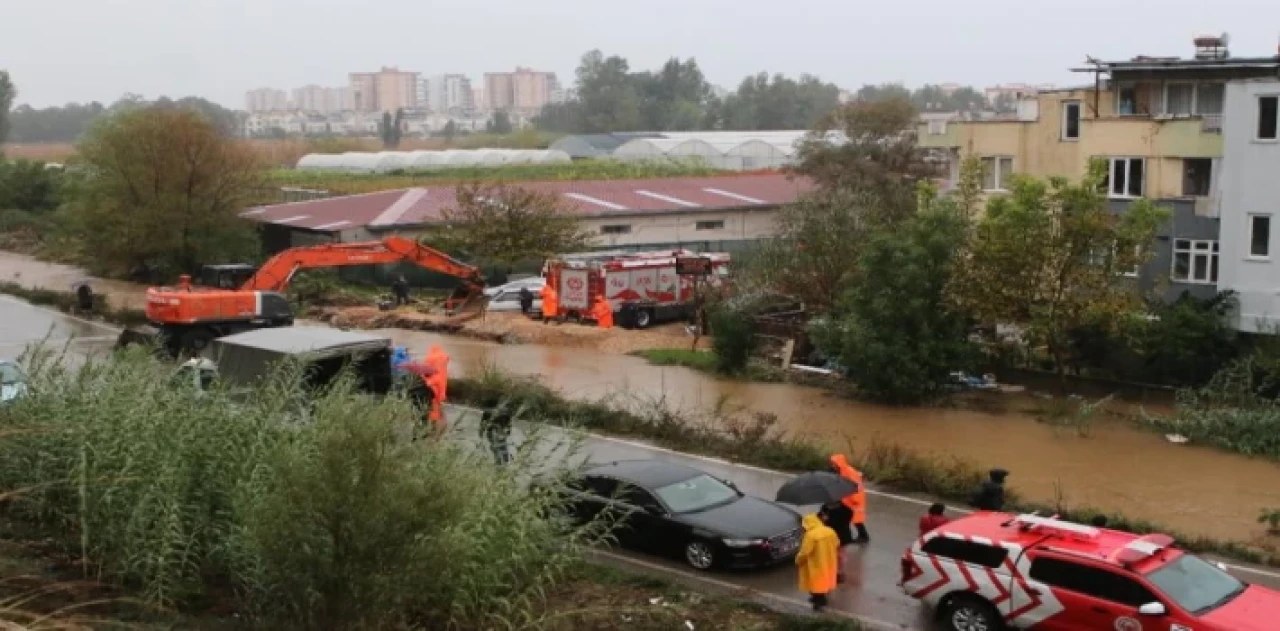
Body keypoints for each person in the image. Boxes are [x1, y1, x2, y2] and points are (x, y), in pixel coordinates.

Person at [796, 513, 839, 612]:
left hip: (816, 563)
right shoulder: (830, 531)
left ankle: (819, 602)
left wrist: (798, 560)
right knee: (824, 581)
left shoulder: (810, 535)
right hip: (829, 561)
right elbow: (837, 543)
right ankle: (819, 599)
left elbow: (805, 552)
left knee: (816, 583)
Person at [829, 454, 869, 543]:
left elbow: (857, 485)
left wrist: (855, 499)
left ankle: (863, 536)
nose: (833, 465)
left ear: (839, 463)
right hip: (849, 498)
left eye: (834, 463)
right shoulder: (842, 471)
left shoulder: (850, 472)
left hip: (855, 499)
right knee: (853, 517)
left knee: (856, 518)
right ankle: (862, 535)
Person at [818, 500, 854, 584]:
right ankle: (831, 572)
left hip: (840, 536)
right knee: (830, 555)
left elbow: (846, 518)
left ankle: (839, 573)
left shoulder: (844, 509)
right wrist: (822, 518)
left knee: (840, 556)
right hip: (830, 536)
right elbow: (819, 517)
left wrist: (827, 520)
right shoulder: (825, 507)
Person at [425, 345, 450, 427]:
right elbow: (447, 358)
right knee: (438, 400)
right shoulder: (444, 357)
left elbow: (426, 371)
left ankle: (434, 422)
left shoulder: (430, 358)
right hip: (442, 382)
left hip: (433, 382)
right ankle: (441, 420)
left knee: (434, 403)